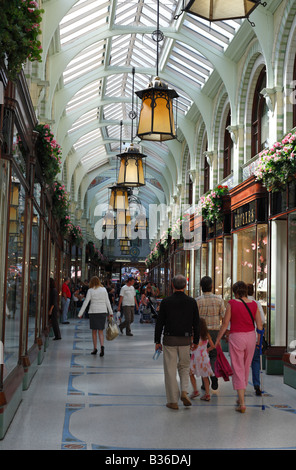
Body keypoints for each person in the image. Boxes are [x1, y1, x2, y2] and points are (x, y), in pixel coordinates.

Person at [215, 281, 263, 413]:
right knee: (246, 366)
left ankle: (242, 403)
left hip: (237, 337)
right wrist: (260, 340)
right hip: (251, 337)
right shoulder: (254, 304)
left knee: (237, 368)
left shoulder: (232, 303)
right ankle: (240, 396)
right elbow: (259, 325)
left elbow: (225, 324)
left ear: (235, 292)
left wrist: (218, 339)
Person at [154, 274, 200, 410]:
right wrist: (196, 340)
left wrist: (157, 340)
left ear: (172, 285)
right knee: (185, 367)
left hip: (169, 339)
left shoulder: (166, 302)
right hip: (186, 340)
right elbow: (196, 323)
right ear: (186, 286)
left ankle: (173, 400)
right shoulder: (191, 302)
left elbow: (160, 323)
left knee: (170, 370)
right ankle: (184, 391)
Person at [196, 276, 225, 390]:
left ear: (201, 287)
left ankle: (205, 384)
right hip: (215, 332)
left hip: (202, 333)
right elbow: (223, 316)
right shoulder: (219, 300)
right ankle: (213, 374)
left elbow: (194, 319)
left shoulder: (197, 301)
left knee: (203, 356)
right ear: (212, 286)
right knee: (213, 356)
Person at [78, 276, 113, 356]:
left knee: (94, 331)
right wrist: (110, 312)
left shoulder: (90, 290)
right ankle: (102, 346)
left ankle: (95, 348)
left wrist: (80, 313)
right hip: (102, 311)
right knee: (100, 331)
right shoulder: (104, 289)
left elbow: (86, 302)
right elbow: (107, 301)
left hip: (93, 312)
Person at [190, 318, 215, 401]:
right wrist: (207, 350)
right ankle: (207, 394)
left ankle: (195, 391)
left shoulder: (193, 334)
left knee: (191, 373)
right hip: (204, 357)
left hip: (195, 357)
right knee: (205, 376)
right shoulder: (206, 334)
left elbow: (191, 346)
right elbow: (213, 346)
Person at [247, 283, 265, 396]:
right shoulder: (256, 303)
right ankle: (257, 384)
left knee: (243, 362)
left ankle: (241, 385)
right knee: (255, 361)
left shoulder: (238, 302)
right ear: (253, 292)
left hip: (242, 336)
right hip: (254, 336)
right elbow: (262, 321)